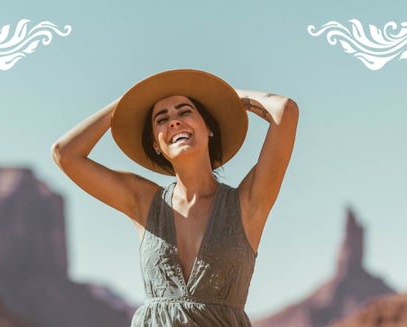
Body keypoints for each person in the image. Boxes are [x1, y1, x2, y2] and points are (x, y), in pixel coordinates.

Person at [52, 69, 298, 326]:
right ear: (157, 144)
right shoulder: (144, 202)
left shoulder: (247, 204)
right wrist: (129, 101)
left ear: (208, 128)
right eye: (161, 119)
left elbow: (285, 111)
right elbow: (65, 153)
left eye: (185, 112)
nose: (174, 121)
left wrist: (230, 97)